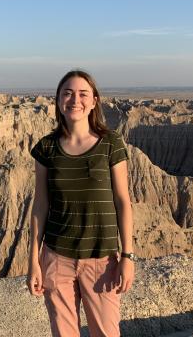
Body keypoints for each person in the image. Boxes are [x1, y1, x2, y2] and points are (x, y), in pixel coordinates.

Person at [27, 69, 135, 337]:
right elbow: (40, 205)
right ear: (58, 101)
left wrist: (128, 256)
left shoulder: (111, 143)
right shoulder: (47, 148)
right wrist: (33, 260)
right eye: (68, 93)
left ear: (94, 100)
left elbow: (123, 201)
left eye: (83, 94)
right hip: (56, 258)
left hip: (101, 261)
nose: (75, 100)